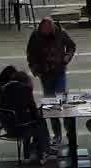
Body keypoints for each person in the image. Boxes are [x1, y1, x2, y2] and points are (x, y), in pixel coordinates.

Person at [26, 18, 79, 150]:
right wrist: (35, 69)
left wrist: (66, 58)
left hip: (59, 71)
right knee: (50, 105)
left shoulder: (60, 33)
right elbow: (30, 53)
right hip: (45, 73)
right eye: (44, 32)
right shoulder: (36, 35)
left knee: (61, 102)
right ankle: (57, 135)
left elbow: (72, 46)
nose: (46, 34)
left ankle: (69, 133)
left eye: (48, 32)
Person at [0, 71, 53, 165]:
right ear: (25, 81)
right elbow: (33, 110)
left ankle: (27, 155)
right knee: (40, 123)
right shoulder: (25, 89)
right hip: (21, 128)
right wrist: (38, 113)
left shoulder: (4, 90)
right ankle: (43, 152)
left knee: (30, 122)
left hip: (7, 127)